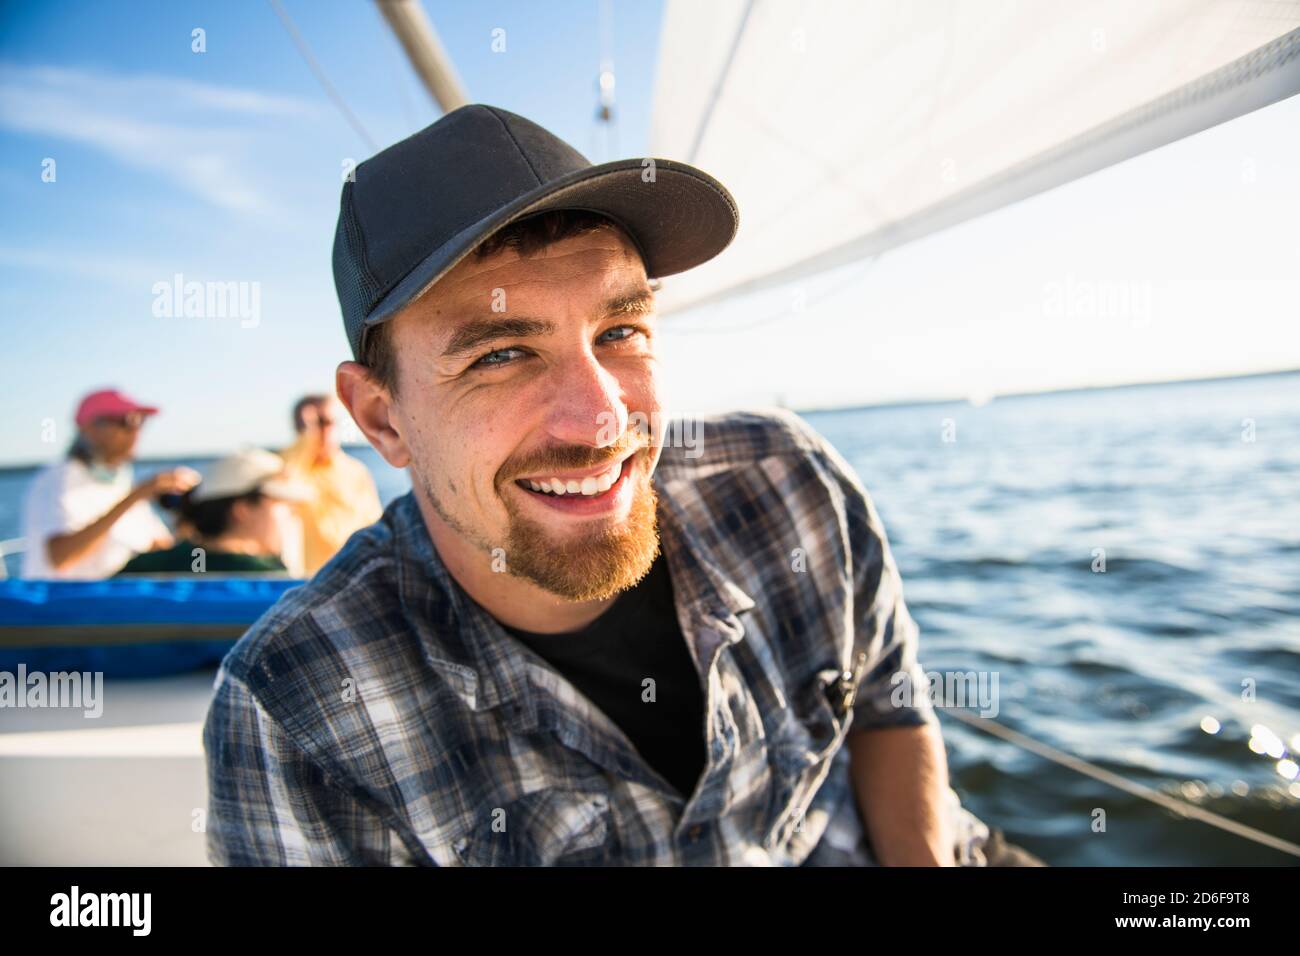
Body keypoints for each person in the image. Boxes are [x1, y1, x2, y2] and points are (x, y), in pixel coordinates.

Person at [204, 104, 1043, 866]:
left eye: (622, 329)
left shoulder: (787, 483)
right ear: (383, 419)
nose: (601, 420)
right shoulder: (298, 710)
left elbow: (889, 707)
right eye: (500, 354)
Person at [21, 388, 199, 579]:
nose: (135, 432)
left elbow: (160, 546)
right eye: (127, 422)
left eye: (141, 422)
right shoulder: (59, 478)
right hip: (67, 602)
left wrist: (192, 513)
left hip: (118, 598)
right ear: (89, 428)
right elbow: (61, 557)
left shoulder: (120, 482)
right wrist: (136, 495)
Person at [118, 448, 310, 575]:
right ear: (242, 510)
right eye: (285, 506)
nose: (292, 515)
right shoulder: (275, 580)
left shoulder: (152, 566)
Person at [278, 394, 382, 576]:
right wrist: (306, 440)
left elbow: (375, 526)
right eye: (313, 424)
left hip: (352, 575)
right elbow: (282, 486)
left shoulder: (355, 471)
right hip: (306, 580)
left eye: (327, 422)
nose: (321, 431)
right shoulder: (287, 466)